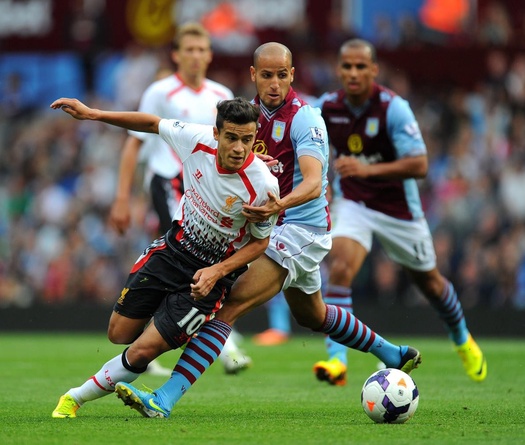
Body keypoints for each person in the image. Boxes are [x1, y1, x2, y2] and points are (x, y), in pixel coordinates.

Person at [113, 42, 422, 419]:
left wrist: (278, 205)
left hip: (299, 230)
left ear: (292, 75)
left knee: (227, 306)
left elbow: (313, 183)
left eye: (282, 75)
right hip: (276, 226)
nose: (274, 83)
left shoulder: (306, 117)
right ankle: (392, 353)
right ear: (253, 75)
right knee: (313, 316)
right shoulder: (246, 116)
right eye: (267, 75)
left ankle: (163, 399)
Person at [50, 96, 280, 419]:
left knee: (143, 350)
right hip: (171, 253)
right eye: (231, 137)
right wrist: (94, 114)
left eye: (247, 139)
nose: (240, 148)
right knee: (118, 334)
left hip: (207, 281)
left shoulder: (263, 185)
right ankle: (154, 333)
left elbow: (260, 243)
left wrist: (217, 271)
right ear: (216, 134)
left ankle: (74, 398)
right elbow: (150, 123)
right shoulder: (195, 140)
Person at [311, 38, 487, 386]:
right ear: (339, 70)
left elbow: (420, 164)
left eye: (361, 66)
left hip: (399, 211)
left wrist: (366, 170)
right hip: (355, 203)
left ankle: (462, 338)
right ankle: (337, 360)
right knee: (341, 266)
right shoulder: (327, 107)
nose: (354, 73)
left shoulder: (393, 107)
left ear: (374, 70)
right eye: (347, 66)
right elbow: (303, 139)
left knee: (431, 283)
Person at [110, 22, 251, 375]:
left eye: (201, 49)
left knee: (201, 256)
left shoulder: (220, 94)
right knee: (189, 255)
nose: (195, 56)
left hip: (207, 191)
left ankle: (164, 337)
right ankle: (224, 345)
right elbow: (134, 142)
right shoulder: (160, 92)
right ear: (176, 54)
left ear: (210, 55)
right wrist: (122, 197)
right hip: (168, 181)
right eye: (188, 49)